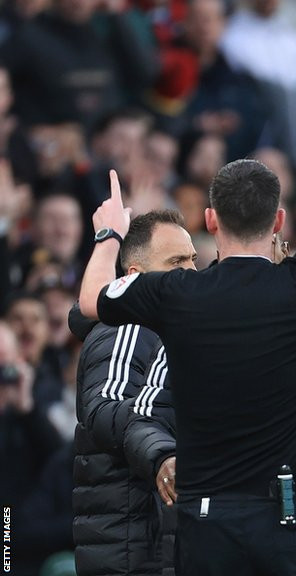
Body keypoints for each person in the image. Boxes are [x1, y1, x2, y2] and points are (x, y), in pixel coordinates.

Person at [77, 49, 296, 576]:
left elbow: (90, 300)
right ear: (280, 219)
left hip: (208, 524)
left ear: (210, 220)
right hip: (295, 520)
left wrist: (109, 233)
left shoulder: (175, 292)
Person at [122, 233, 296, 576]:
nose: (276, 258)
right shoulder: (194, 321)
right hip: (220, 527)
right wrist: (163, 454)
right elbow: (145, 419)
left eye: (280, 249)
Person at [69, 209, 197, 576]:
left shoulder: (170, 330)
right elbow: (104, 408)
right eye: (175, 261)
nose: (190, 270)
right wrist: (162, 449)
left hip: (158, 542)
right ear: (134, 277)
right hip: (133, 547)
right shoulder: (129, 324)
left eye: (192, 259)